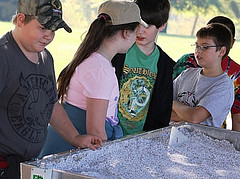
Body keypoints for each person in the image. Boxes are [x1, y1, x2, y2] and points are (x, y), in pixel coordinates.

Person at [0, 0, 102, 178]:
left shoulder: (46, 58)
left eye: (53, 30)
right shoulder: (4, 55)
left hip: (30, 163)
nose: (49, 35)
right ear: (21, 20)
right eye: (43, 28)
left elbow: (52, 105)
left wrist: (75, 138)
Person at [38, 0, 149, 158]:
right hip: (68, 154)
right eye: (136, 31)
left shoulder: (95, 61)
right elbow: (96, 133)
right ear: (126, 32)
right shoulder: (100, 70)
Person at [111, 0, 175, 136]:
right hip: (108, 134)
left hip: (142, 140)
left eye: (148, 25)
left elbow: (162, 112)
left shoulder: (166, 65)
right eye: (138, 23)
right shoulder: (117, 52)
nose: (140, 31)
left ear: (162, 25)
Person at [173, 16, 240, 131]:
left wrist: (172, 103)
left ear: (222, 51)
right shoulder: (186, 74)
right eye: (197, 46)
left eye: (205, 47)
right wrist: (186, 114)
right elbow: (160, 106)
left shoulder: (224, 85)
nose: (198, 51)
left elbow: (195, 117)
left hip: (200, 145)